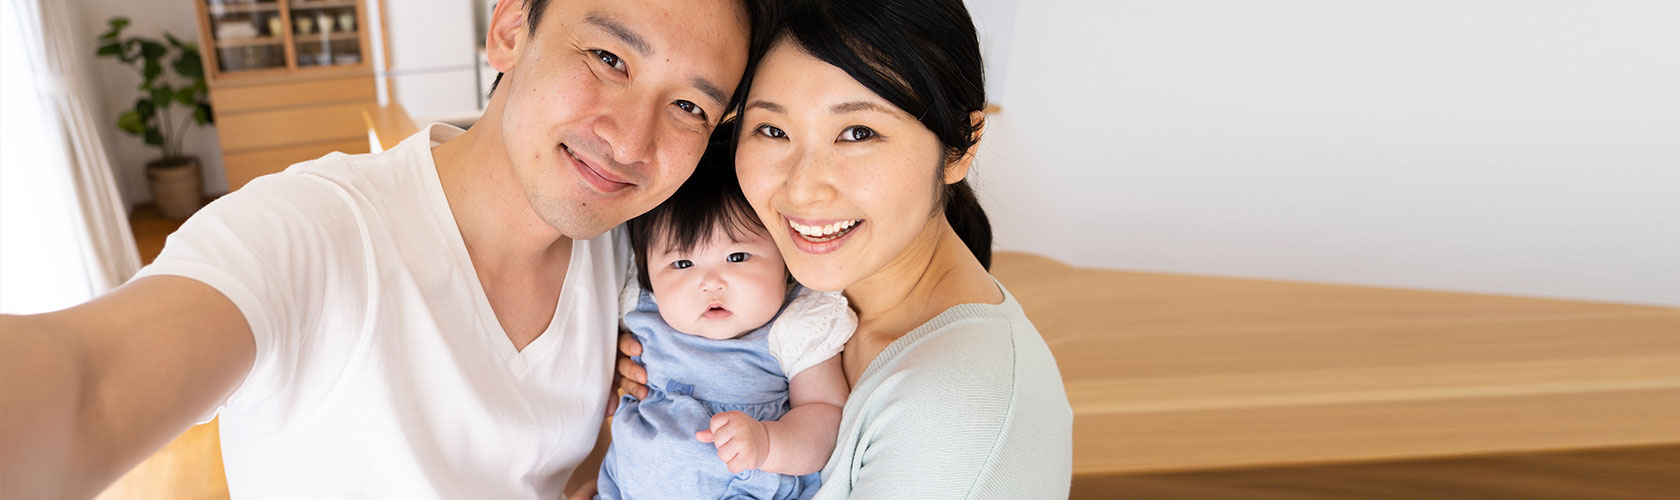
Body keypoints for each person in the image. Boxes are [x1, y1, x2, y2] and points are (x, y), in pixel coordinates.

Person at [0, 0, 768, 498]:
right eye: (608, 58)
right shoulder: (314, 231)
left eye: (689, 105)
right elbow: (87, 390)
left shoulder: (633, 256)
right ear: (508, 30)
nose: (632, 140)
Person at [615, 0, 1075, 497]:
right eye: (772, 130)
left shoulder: (954, 408)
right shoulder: (798, 300)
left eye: (858, 133)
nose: (804, 187)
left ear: (961, 144)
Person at [596, 132, 852, 500]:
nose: (710, 283)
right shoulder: (639, 307)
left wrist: (768, 443)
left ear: (784, 259)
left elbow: (826, 418)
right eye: (682, 263)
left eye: (737, 257)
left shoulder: (795, 327)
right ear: (648, 273)